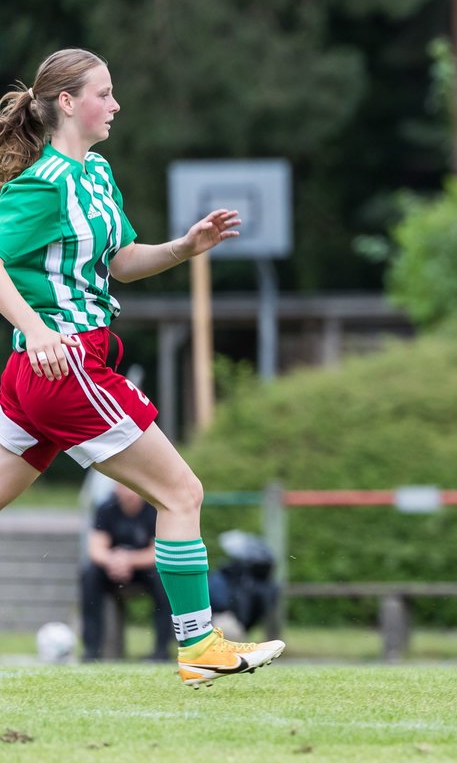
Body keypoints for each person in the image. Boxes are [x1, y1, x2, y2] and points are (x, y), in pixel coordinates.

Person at [0, 49, 284, 687]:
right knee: (182, 493)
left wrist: (185, 247)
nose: (116, 104)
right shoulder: (43, 183)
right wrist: (36, 326)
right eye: (105, 93)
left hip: (44, 375)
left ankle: (199, 646)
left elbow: (122, 259)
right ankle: (200, 645)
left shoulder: (96, 173)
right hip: (66, 367)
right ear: (68, 103)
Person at [81, 483, 171, 661]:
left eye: (133, 488)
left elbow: (159, 552)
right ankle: (92, 651)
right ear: (116, 489)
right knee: (89, 575)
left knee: (163, 579)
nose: (130, 493)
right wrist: (114, 561)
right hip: (112, 569)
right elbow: (96, 549)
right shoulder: (106, 508)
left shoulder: (153, 510)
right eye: (124, 488)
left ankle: (161, 651)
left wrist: (128, 560)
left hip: (144, 570)